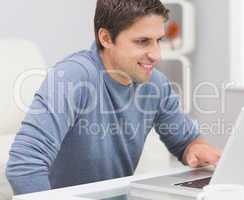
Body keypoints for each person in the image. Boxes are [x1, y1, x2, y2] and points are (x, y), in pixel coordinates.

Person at [6, 0, 221, 195]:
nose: (156, 54)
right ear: (106, 38)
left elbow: (186, 142)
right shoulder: (72, 77)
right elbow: (24, 164)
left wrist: (196, 149)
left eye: (158, 40)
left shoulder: (155, 84)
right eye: (143, 41)